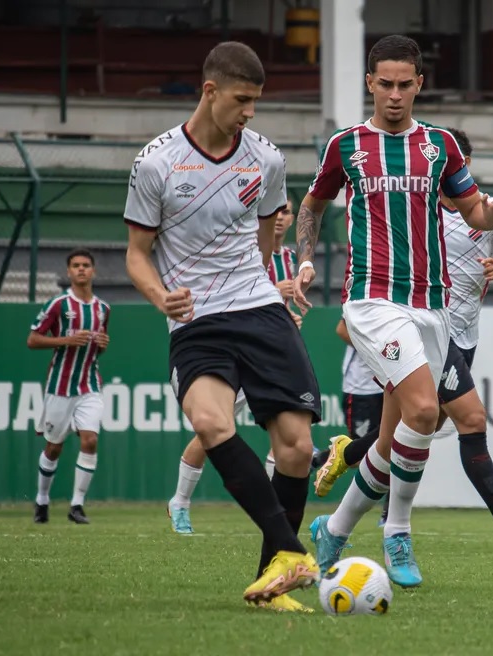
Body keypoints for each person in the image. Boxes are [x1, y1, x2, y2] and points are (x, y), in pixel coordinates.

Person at [292, 35, 493, 588]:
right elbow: (313, 203)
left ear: (419, 84)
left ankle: (334, 530)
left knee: (401, 435)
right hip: (373, 300)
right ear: (370, 83)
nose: (394, 95)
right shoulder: (347, 146)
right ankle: (398, 530)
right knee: (422, 411)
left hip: (430, 306)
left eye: (404, 84)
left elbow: (471, 213)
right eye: (384, 84)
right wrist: (302, 260)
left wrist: (489, 218)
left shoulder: (441, 147)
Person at [123, 41, 319, 608]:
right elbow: (136, 254)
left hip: (258, 309)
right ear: (209, 91)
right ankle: (290, 549)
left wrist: (269, 283)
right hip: (196, 321)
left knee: (297, 450)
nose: (249, 112)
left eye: (256, 101)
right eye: (241, 99)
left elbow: (265, 238)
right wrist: (162, 296)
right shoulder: (156, 163)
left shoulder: (267, 158)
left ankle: (274, 577)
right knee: (210, 423)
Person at [313, 129, 493, 548]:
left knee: (402, 436)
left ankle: (342, 485)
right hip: (416, 324)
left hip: (459, 335)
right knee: (470, 418)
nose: (458, 177)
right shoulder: (414, 209)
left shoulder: (489, 214)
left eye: (464, 169)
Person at [165, 200, 307, 537]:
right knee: (212, 428)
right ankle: (180, 502)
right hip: (227, 345)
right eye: (275, 210)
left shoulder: (290, 261)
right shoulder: (238, 251)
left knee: (288, 437)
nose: (279, 217)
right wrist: (275, 291)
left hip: (266, 350)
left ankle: (273, 512)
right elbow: (226, 293)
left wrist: (287, 321)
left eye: (286, 212)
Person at [29, 248, 110, 525]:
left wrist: (101, 346)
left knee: (90, 440)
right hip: (60, 386)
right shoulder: (58, 305)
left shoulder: (102, 309)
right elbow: (33, 339)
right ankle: (42, 500)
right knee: (54, 447)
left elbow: (97, 350)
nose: (81, 269)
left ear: (93, 270)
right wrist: (65, 340)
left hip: (90, 384)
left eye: (86, 265)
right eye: (75, 265)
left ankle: (77, 505)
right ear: (68, 271)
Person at [311, 318, 385, 502]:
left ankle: (390, 514)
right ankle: (316, 459)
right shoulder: (365, 295)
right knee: (361, 455)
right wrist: (378, 351)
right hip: (362, 387)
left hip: (388, 383)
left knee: (394, 442)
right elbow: (342, 329)